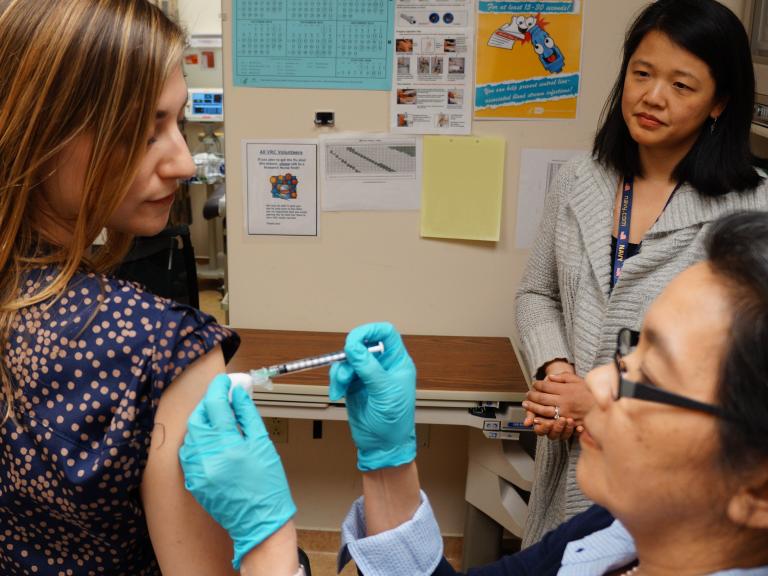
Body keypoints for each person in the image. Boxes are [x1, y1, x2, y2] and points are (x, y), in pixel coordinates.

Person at [181, 211, 768, 575]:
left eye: (652, 377)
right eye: (628, 349)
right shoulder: (611, 536)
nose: (596, 384)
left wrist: (269, 550)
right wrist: (390, 460)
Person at [0, 1, 246, 573]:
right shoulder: (162, 350)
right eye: (143, 132)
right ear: (43, 134)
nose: (184, 163)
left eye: (177, 123)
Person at [515, 0, 768, 544]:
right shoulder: (579, 180)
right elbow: (537, 293)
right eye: (642, 73)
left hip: (678, 488)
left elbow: (746, 374)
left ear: (719, 103)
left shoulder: (754, 211)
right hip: (571, 467)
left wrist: (603, 401)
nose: (653, 97)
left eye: (682, 85)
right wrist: (557, 374)